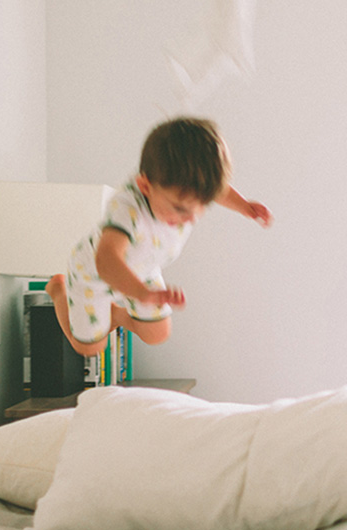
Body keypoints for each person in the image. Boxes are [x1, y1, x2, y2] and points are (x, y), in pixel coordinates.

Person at [46, 116, 272, 356]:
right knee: (89, 347)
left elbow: (217, 190)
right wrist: (142, 294)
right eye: (180, 209)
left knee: (158, 334)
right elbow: (106, 260)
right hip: (95, 274)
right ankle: (58, 289)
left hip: (142, 270)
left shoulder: (177, 186)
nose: (190, 218)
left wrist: (245, 206)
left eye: (201, 206)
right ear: (145, 186)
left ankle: (115, 315)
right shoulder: (127, 209)